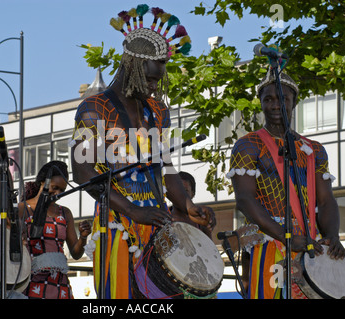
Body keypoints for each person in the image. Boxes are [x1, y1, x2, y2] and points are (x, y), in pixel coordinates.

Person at [70, 5, 213, 299]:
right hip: (117, 225)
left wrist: (187, 205)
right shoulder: (94, 109)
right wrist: (134, 210)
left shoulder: (159, 112)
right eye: (149, 79)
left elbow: (167, 168)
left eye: (157, 81)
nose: (153, 87)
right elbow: (83, 171)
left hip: (157, 224)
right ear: (131, 66)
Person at [229, 67, 345, 299]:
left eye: (282, 98)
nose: (275, 105)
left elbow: (325, 201)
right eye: (268, 99)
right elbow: (244, 200)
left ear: (294, 102)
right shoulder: (248, 145)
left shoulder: (314, 150)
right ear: (261, 103)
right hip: (269, 242)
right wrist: (286, 236)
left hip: (311, 247)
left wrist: (332, 236)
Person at [18, 160, 91, 299]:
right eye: (54, 187)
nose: (57, 193)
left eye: (62, 191)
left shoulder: (65, 213)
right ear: (42, 182)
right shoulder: (22, 209)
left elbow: (76, 254)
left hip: (60, 285)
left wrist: (83, 237)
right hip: (31, 282)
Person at [171, 171, 215, 239]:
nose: (181, 194)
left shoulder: (200, 221)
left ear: (192, 194)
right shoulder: (164, 218)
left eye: (185, 191)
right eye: (178, 190)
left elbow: (209, 247)